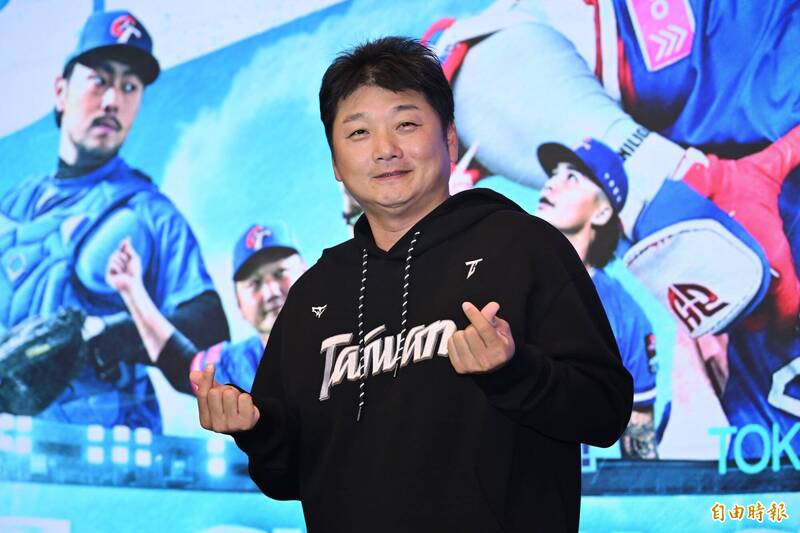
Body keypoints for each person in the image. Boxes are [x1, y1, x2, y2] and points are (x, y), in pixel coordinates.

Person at [191, 36, 632, 532]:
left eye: (406, 124)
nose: (385, 150)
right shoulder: (313, 295)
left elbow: (605, 412)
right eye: (359, 133)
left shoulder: (524, 247)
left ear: (449, 139)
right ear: (335, 162)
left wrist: (514, 372)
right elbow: (288, 477)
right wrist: (256, 429)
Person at [0, 10, 228, 432]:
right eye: (100, 80)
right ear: (61, 91)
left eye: (129, 87)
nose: (112, 101)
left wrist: (115, 335)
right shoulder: (13, 204)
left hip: (108, 452)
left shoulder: (150, 214)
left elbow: (209, 335)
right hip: (12, 457)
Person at [535, 138, 658, 459]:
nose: (552, 183)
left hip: (571, 483)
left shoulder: (626, 316)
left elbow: (640, 450)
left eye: (572, 177)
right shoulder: (494, 274)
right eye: (554, 173)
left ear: (602, 211)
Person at [106, 223, 306, 393]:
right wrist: (131, 289)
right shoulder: (238, 365)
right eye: (255, 283)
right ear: (240, 306)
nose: (271, 292)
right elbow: (181, 366)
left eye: (281, 273)